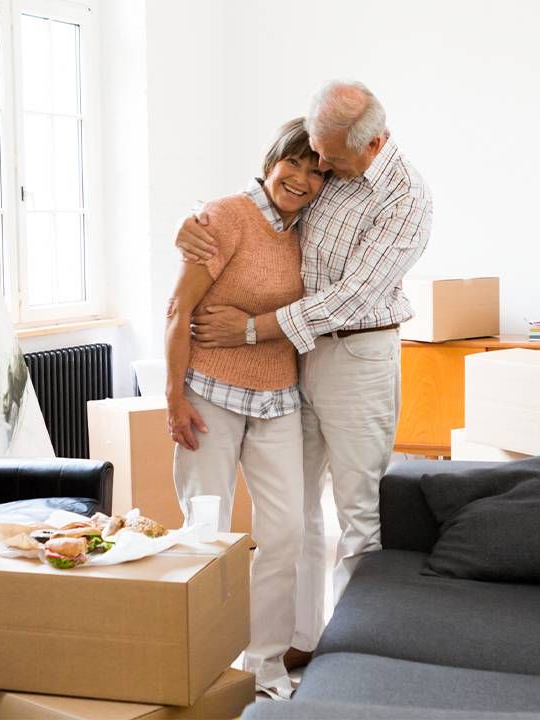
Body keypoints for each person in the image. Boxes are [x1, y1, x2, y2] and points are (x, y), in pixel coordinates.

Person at [176, 81, 433, 671]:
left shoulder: (405, 199)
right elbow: (265, 202)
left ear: (372, 144)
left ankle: (353, 657)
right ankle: (301, 640)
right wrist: (192, 225)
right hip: (298, 358)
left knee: (357, 512)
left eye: (330, 159)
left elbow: (351, 298)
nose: (319, 168)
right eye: (315, 154)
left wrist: (249, 328)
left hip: (355, 357)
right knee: (298, 511)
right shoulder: (326, 165)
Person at [165, 117, 326, 698]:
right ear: (271, 160)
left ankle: (263, 666)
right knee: (205, 531)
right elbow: (178, 311)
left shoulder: (307, 229)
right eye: (293, 164)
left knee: (283, 532)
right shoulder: (226, 215)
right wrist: (173, 399)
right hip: (209, 394)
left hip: (278, 397)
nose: (301, 179)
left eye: (315, 171)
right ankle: (201, 662)